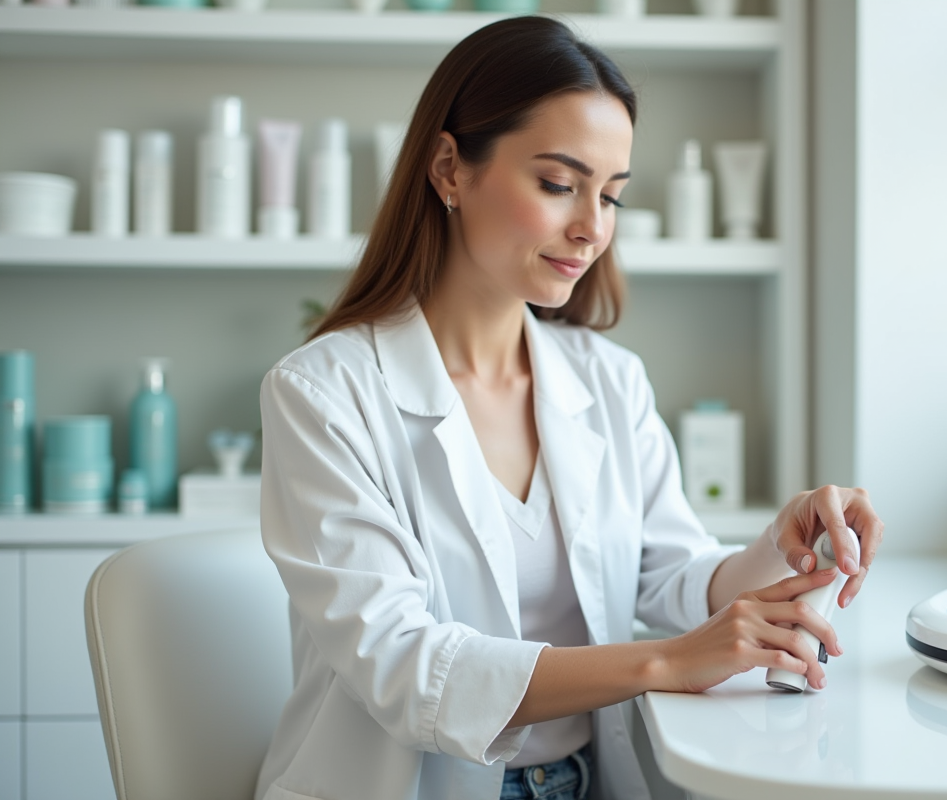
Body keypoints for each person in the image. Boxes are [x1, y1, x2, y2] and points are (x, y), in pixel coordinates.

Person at [255, 16, 883, 800]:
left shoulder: (609, 381)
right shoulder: (322, 393)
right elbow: (403, 667)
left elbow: (673, 576)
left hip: (587, 781)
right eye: (559, 185)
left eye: (611, 196)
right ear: (450, 167)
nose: (591, 229)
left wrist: (781, 547)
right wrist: (667, 662)